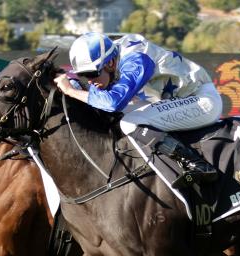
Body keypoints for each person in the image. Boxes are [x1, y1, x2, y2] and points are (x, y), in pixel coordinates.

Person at [54, 32, 222, 189]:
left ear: (110, 63)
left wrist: (71, 91)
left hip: (201, 101)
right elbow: (98, 98)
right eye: (84, 75)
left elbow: (113, 102)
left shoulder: (136, 59)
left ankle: (197, 165)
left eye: (91, 74)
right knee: (120, 117)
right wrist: (75, 85)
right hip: (176, 100)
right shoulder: (110, 59)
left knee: (130, 123)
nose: (90, 81)